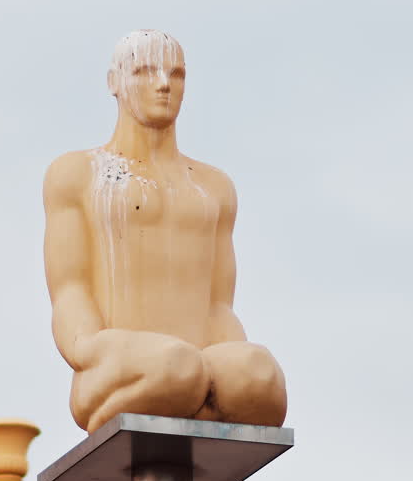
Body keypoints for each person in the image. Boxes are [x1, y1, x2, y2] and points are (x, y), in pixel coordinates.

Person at [44, 30, 287, 433]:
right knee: (175, 367)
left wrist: (236, 363)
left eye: (176, 75)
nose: (163, 84)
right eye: (144, 71)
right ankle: (176, 396)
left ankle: (196, 399)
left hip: (194, 362)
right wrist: (89, 350)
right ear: (114, 82)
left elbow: (218, 306)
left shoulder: (213, 187)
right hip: (116, 365)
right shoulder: (78, 174)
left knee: (260, 376)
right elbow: (70, 288)